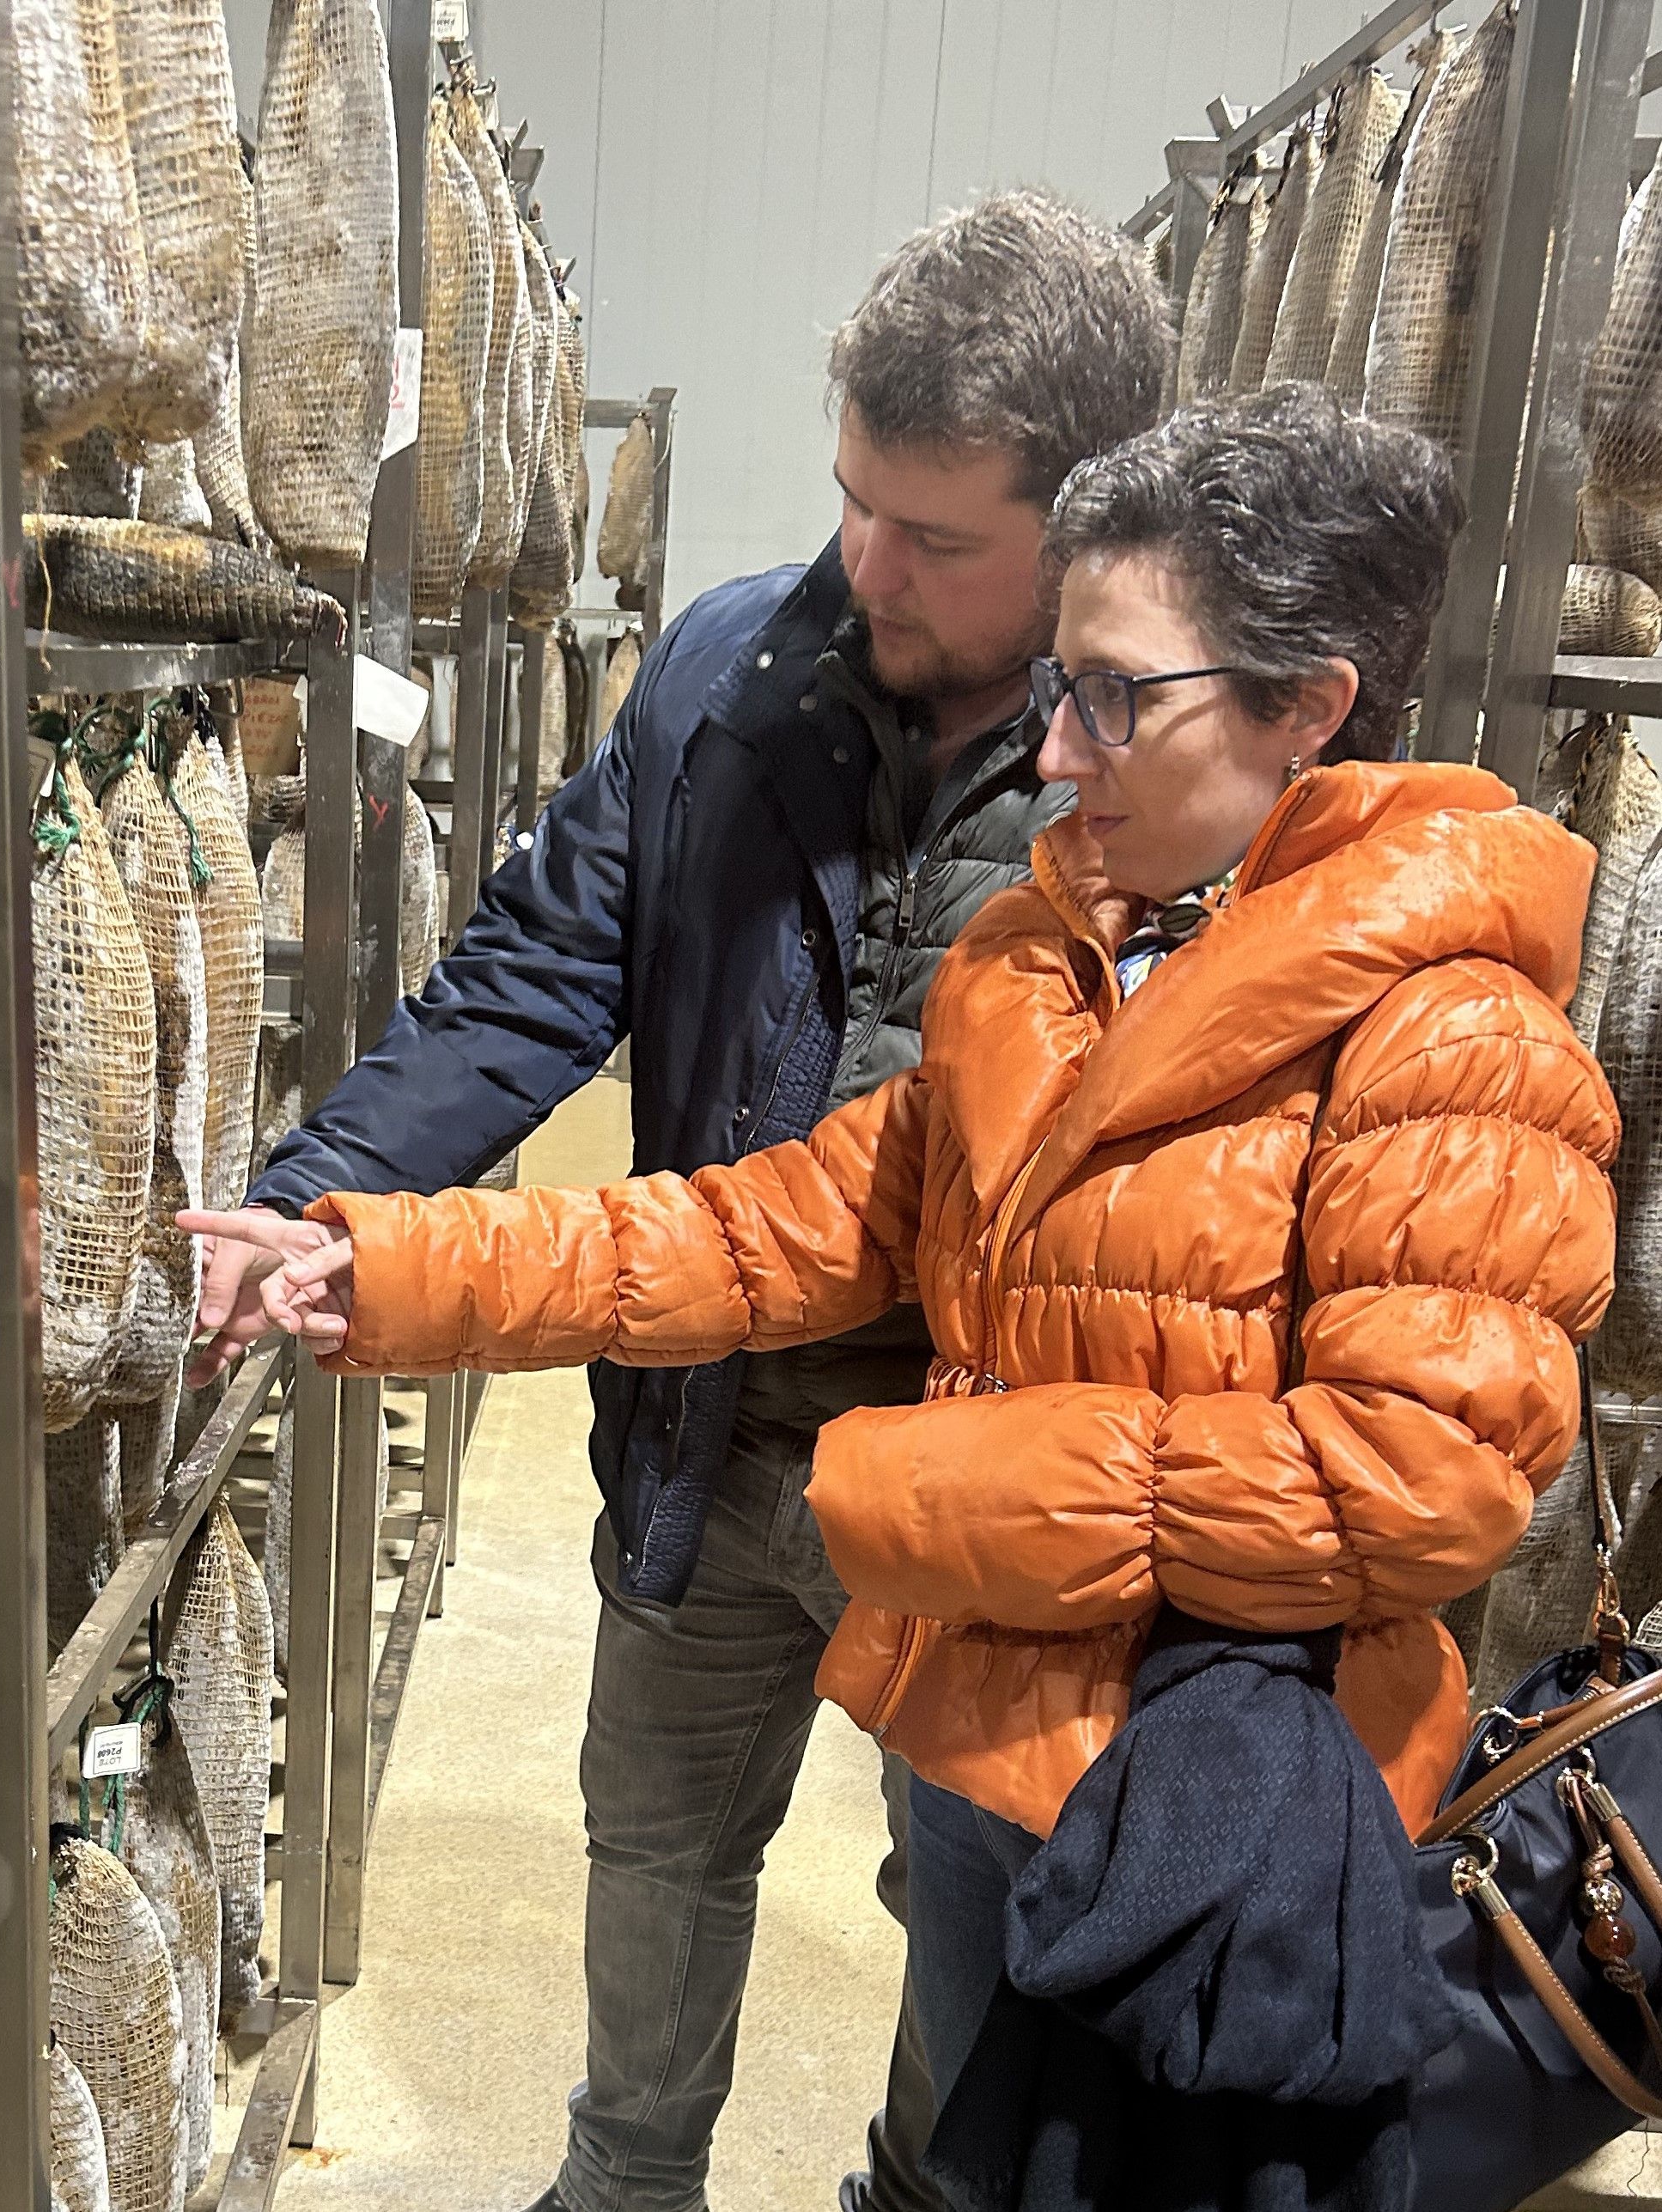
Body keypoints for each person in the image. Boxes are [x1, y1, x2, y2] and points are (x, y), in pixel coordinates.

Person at [190, 385, 1621, 2160]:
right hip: (984, 1729)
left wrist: (932, 1484)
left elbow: (1427, 1480)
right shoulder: (1051, 965)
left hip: (1203, 1797)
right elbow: (754, 1229)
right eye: (1059, 690)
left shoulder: (1451, 1036)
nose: (1055, 752)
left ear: (1304, 706)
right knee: (946, 2157)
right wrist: (366, 1262)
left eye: (1113, 695)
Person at [188, 191, 1170, 2212]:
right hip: (707, 1437)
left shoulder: (1163, 779)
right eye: (850, 500)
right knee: (652, 1844)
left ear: (1085, 523)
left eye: (935, 538)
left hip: (995, 1490)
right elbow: (536, 968)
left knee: (973, 1907)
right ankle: (622, 2184)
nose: (863, 565)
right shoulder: (729, 669)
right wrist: (315, 1196)